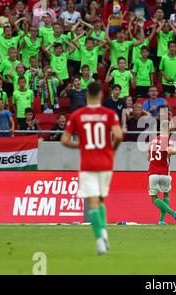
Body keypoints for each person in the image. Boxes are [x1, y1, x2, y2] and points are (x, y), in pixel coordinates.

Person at [61, 82, 123, 255]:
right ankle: (104, 234)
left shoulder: (77, 115)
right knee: (101, 200)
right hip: (106, 162)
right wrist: (112, 148)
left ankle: (100, 239)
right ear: (102, 95)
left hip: (88, 164)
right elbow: (118, 135)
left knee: (93, 203)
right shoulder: (109, 114)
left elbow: (64, 140)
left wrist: (80, 145)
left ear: (88, 94)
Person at [147, 120, 176, 225]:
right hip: (165, 173)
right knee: (167, 195)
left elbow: (148, 157)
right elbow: (170, 151)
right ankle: (173, 214)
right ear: (168, 130)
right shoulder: (168, 140)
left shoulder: (153, 140)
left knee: (153, 198)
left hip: (153, 173)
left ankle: (161, 220)